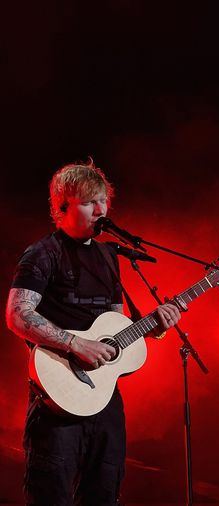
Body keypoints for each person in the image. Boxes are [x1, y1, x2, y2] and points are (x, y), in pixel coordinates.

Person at [6, 157, 181, 506]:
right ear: (62, 206)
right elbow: (17, 314)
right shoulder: (43, 253)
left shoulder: (108, 256)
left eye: (103, 201)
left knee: (104, 491)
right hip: (56, 401)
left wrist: (154, 328)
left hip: (104, 401)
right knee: (50, 495)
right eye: (89, 202)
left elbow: (114, 328)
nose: (100, 209)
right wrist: (75, 343)